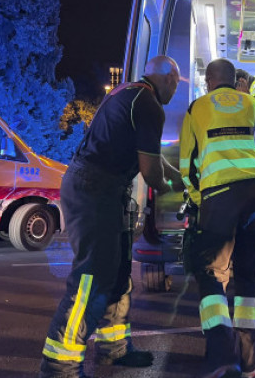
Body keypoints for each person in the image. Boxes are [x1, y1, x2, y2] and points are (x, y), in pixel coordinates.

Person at [39, 56, 184, 378]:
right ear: (170, 78)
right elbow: (150, 172)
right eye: (177, 82)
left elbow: (150, 157)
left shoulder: (125, 92)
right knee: (92, 278)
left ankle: (114, 347)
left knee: (118, 273)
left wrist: (175, 176)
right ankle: (59, 366)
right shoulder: (149, 105)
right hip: (95, 190)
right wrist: (169, 190)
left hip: (98, 187)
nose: (176, 89)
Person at [179, 58, 255, 378]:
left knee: (212, 274)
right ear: (236, 80)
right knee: (248, 277)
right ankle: (249, 362)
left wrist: (197, 199)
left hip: (218, 199)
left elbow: (187, 164)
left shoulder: (197, 107)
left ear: (208, 81)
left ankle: (221, 357)